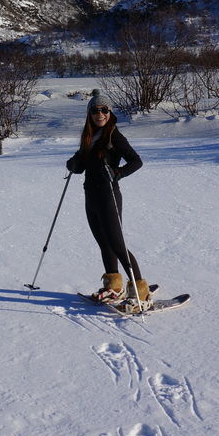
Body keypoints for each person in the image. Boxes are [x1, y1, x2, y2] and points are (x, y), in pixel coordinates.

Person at [65, 89, 150, 310]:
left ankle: (140, 291)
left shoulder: (114, 136)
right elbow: (82, 164)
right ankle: (114, 286)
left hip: (109, 195)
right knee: (103, 243)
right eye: (95, 110)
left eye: (104, 110)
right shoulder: (88, 137)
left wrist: (118, 173)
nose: (100, 114)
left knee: (117, 244)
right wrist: (73, 164)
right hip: (91, 195)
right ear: (89, 114)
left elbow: (136, 161)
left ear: (109, 112)